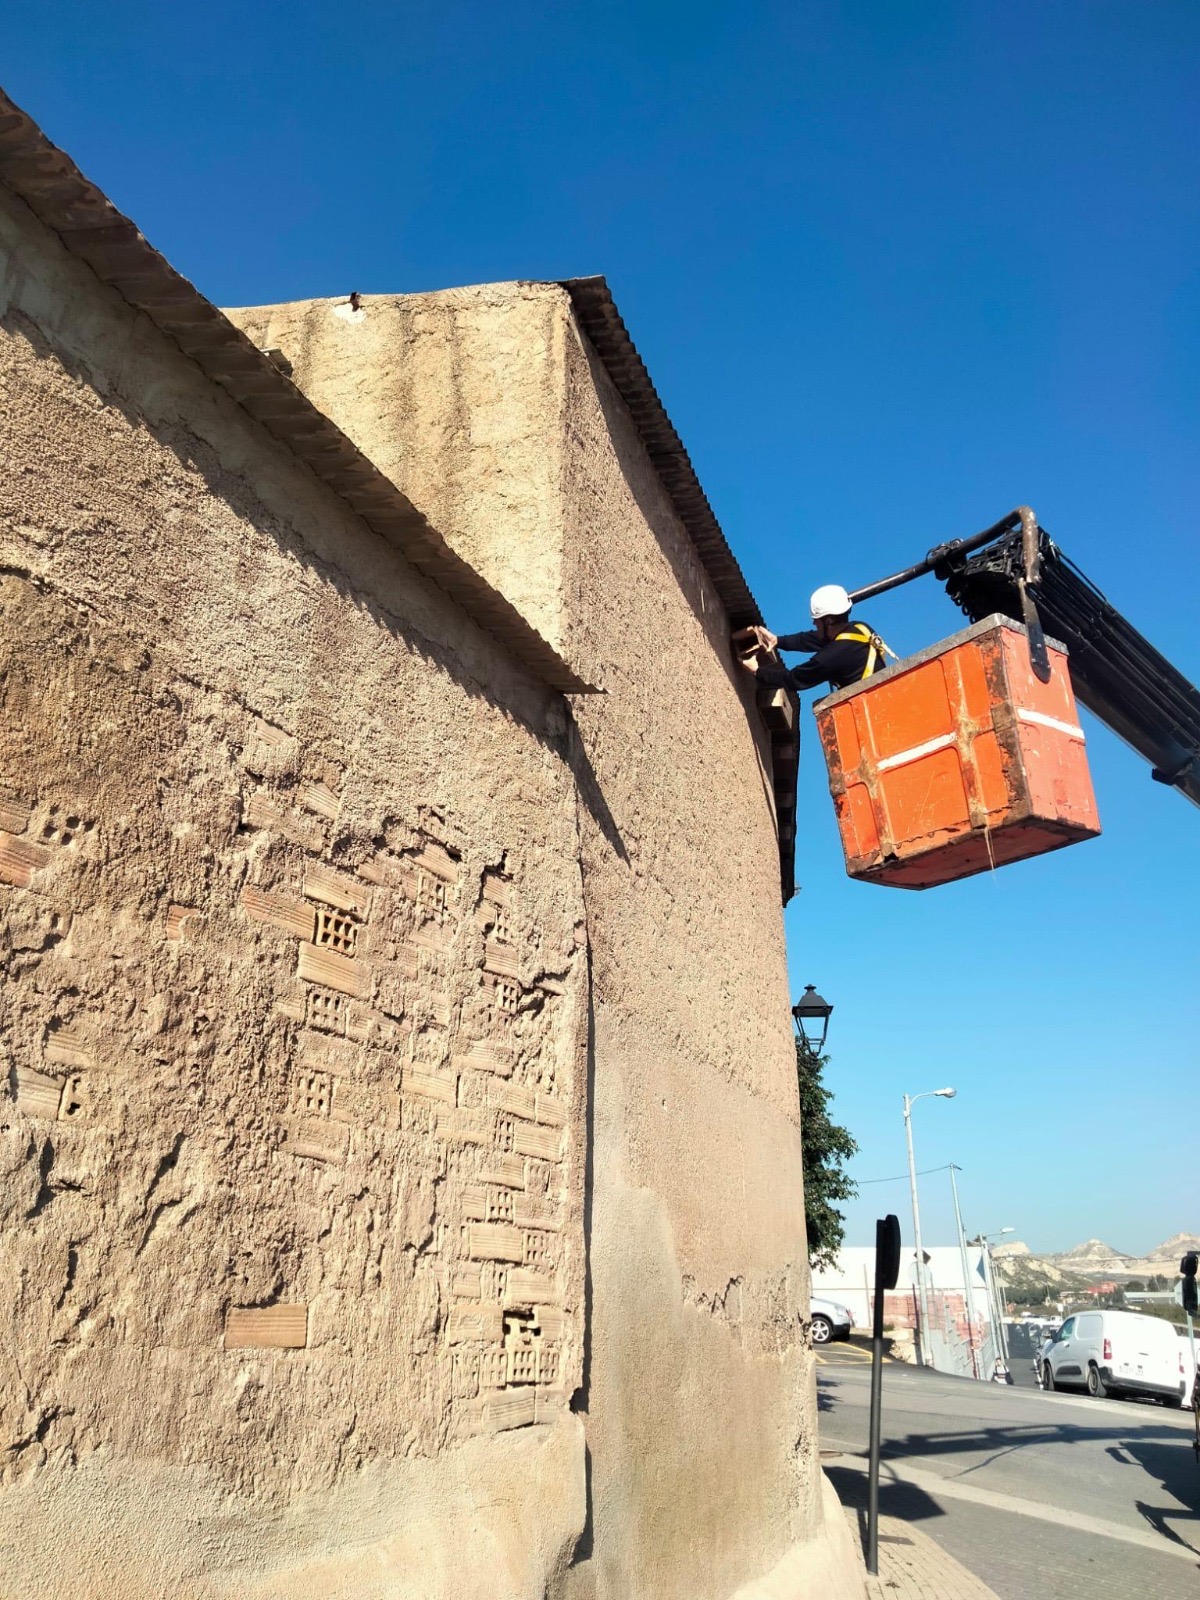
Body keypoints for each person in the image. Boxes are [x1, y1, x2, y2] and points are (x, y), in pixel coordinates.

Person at [741, 584, 893, 694]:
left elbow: (793, 679)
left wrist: (757, 671)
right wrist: (778, 641)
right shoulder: (861, 629)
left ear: (828, 621)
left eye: (816, 620)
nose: (814, 623)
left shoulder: (831, 658)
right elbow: (812, 639)